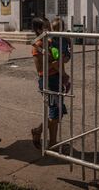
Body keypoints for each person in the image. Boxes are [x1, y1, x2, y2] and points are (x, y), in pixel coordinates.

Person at [31, 17, 66, 149]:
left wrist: (63, 71)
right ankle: (43, 135)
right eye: (46, 27)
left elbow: (61, 58)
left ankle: (49, 139)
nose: (50, 29)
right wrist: (55, 64)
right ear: (39, 30)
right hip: (47, 81)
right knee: (55, 112)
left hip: (56, 78)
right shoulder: (38, 45)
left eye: (49, 26)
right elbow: (40, 69)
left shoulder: (51, 42)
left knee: (57, 112)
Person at [51, 17, 71, 93]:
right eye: (54, 29)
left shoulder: (64, 36)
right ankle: (66, 83)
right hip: (58, 55)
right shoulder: (52, 37)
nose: (56, 31)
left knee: (56, 66)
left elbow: (70, 42)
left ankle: (65, 78)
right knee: (60, 69)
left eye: (57, 29)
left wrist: (69, 51)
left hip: (64, 54)